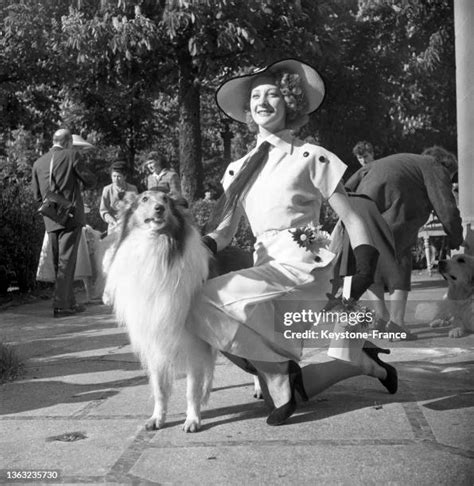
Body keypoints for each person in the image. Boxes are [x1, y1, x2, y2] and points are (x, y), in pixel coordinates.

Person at [188, 59, 397, 426]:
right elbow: (223, 231)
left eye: (273, 94)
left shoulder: (309, 156)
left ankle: (276, 372)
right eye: (255, 96)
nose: (262, 101)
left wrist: (365, 266)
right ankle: (367, 365)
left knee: (205, 299)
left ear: (290, 103)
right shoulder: (238, 169)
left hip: (304, 266)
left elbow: (350, 218)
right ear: (247, 109)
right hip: (265, 269)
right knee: (199, 312)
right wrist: (194, 249)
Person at [345, 146, 464, 338]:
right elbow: (447, 208)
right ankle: (397, 324)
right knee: (399, 259)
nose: (447, 182)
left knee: (370, 262)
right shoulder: (434, 166)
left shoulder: (401, 160)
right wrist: (456, 237)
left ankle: (380, 319)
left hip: (359, 204)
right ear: (446, 166)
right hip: (394, 210)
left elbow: (350, 184)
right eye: (449, 178)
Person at [32, 128, 96, 317]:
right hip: (70, 215)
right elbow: (90, 181)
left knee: (60, 261)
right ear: (68, 142)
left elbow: (36, 196)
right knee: (67, 261)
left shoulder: (38, 162)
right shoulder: (72, 154)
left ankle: (69, 301)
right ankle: (61, 306)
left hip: (51, 217)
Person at [99, 161, 138, 233]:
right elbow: (103, 210)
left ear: (125, 177)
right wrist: (112, 221)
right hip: (113, 226)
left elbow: (136, 208)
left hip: (129, 226)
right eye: (114, 176)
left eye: (119, 176)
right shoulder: (107, 190)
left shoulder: (132, 189)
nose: (116, 179)